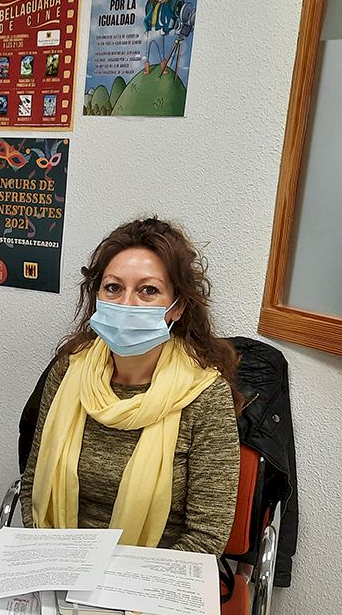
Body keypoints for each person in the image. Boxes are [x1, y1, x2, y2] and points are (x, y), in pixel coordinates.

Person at [19, 218, 241, 556]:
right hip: (59, 561)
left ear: (177, 307)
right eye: (113, 288)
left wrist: (119, 582)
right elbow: (33, 485)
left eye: (148, 291)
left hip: (153, 574)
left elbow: (207, 535)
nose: (126, 304)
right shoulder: (69, 371)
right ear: (97, 296)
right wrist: (53, 561)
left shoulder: (205, 396)